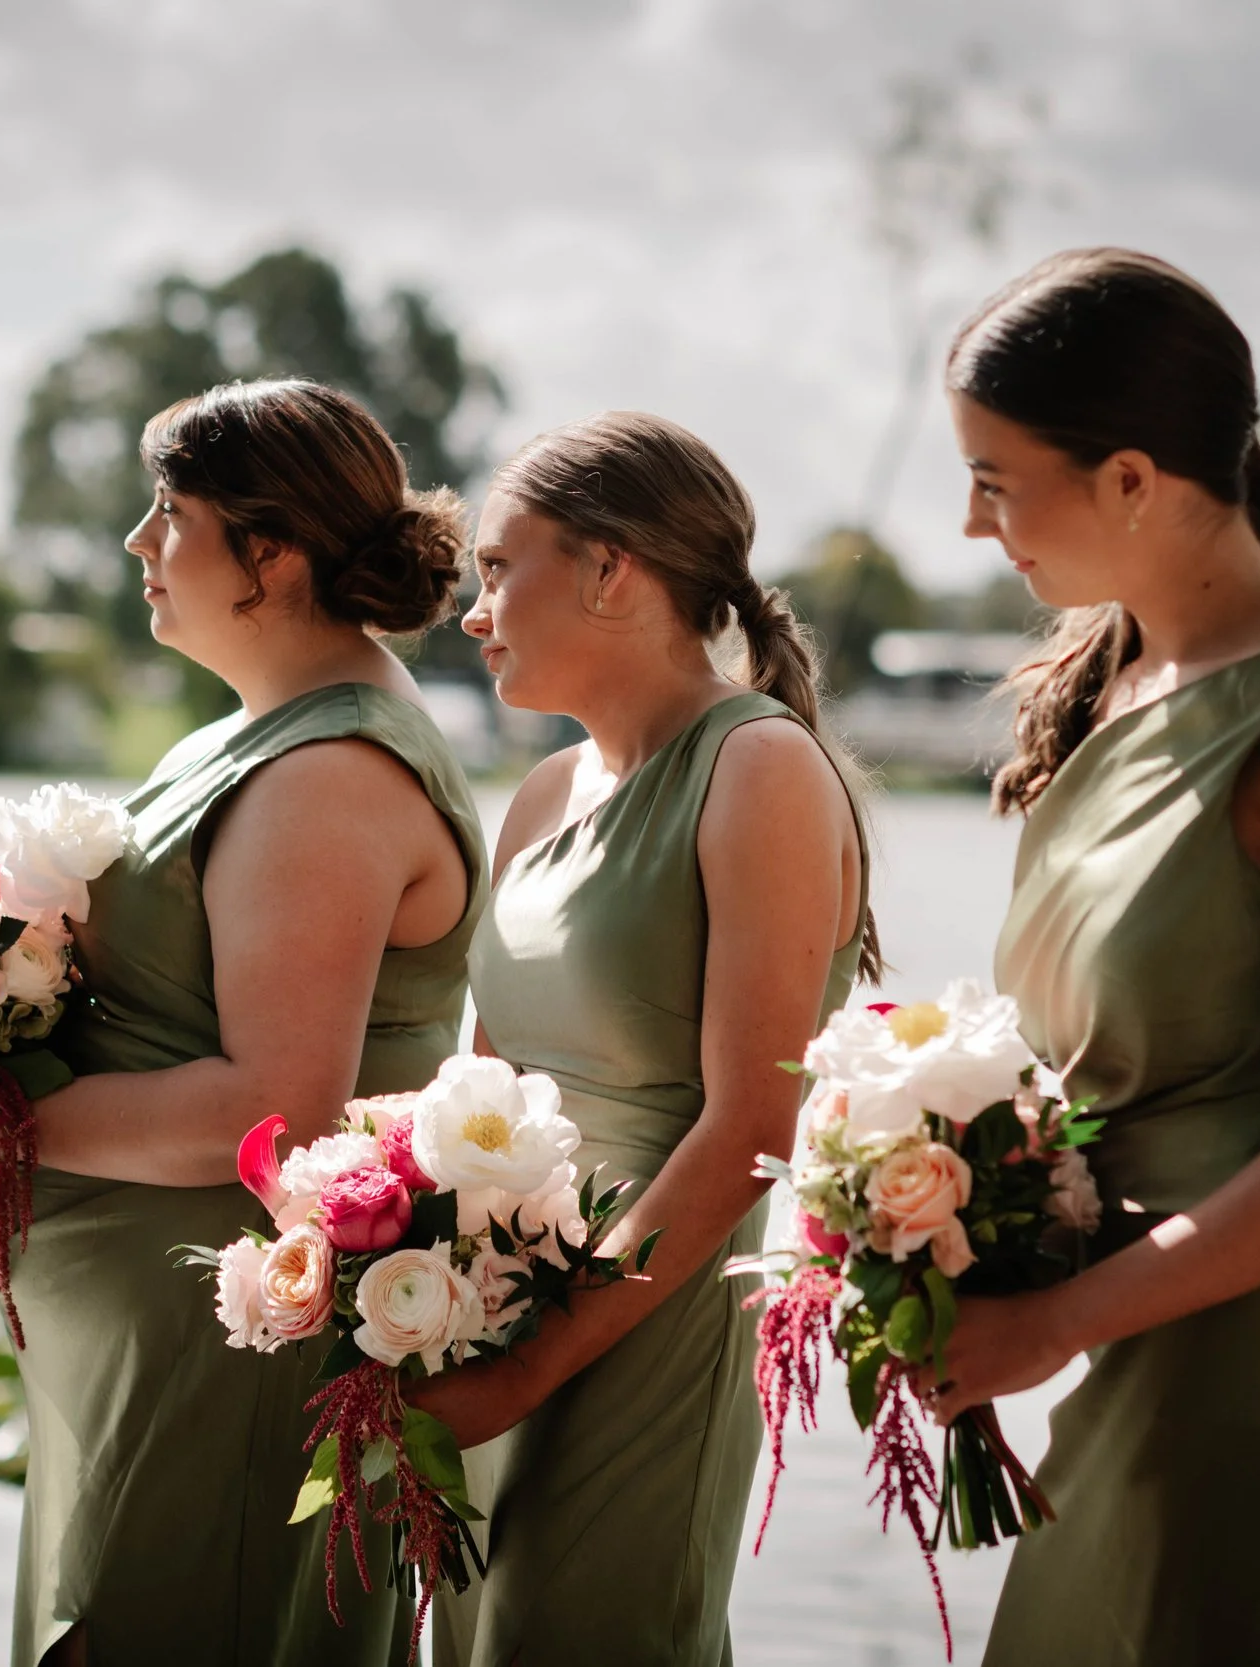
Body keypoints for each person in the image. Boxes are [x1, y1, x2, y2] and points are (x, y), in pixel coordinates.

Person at [0, 378, 485, 1666]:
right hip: (142, 1352)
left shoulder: (328, 774)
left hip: (220, 1367)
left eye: (169, 512)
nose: (135, 542)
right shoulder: (246, 738)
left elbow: (263, 1108)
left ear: (268, 553)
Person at [923, 249, 1260, 1667]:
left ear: (1134, 478)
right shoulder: (1116, 675)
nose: (973, 525)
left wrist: (1054, 1320)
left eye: (995, 477)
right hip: (1143, 1314)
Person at [409, 412, 872, 1665]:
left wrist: (526, 1369)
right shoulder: (545, 792)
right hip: (486, 1319)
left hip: (645, 1324)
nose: (473, 607)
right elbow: (478, 1093)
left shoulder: (757, 768)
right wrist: (407, 1308)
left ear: (611, 569)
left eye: (502, 567)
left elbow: (750, 1128)